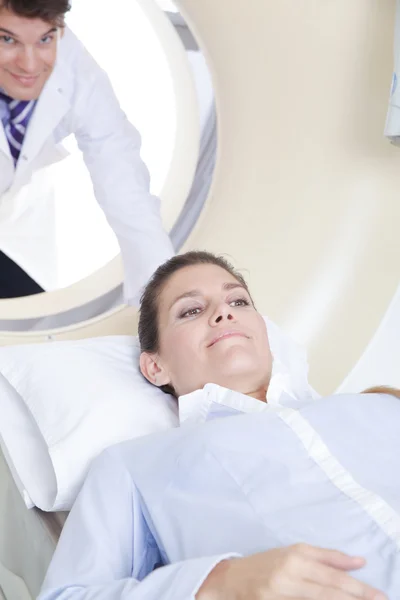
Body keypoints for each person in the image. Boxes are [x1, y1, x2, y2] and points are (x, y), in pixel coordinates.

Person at [38, 250, 400, 600]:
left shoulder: (381, 404)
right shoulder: (135, 466)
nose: (224, 312)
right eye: (191, 310)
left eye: (239, 302)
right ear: (155, 367)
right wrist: (220, 583)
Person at [0, 0, 174, 299]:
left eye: (45, 39)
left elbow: (124, 187)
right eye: (7, 39)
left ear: (61, 29)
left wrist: (166, 299)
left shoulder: (79, 75)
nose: (29, 65)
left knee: (30, 317)